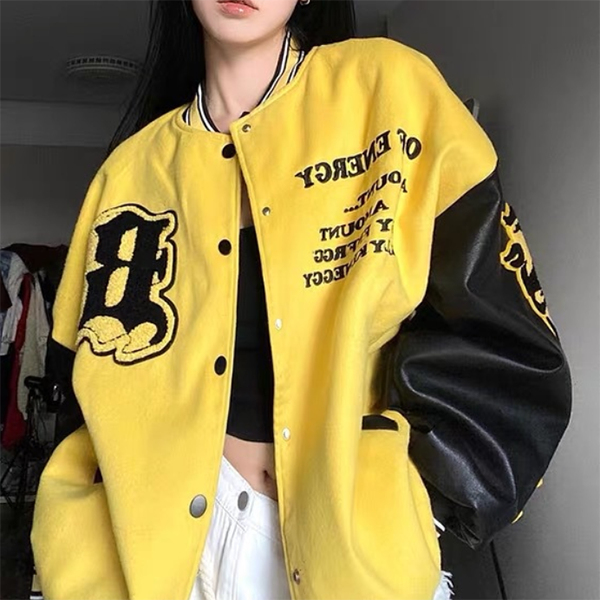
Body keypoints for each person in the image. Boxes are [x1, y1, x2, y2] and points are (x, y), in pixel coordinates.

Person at [30, 0, 572, 598]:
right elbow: (81, 396)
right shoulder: (128, 173)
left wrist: (419, 506)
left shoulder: (391, 91)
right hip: (150, 559)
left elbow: (509, 345)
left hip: (345, 554)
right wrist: (73, 554)